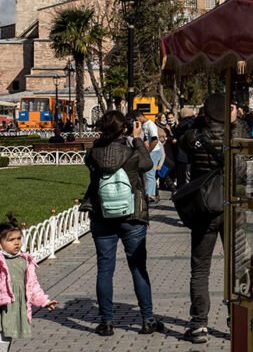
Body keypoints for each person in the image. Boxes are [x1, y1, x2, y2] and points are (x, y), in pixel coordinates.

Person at [82, 110, 162, 336]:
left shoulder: (94, 153)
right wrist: (136, 138)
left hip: (102, 215)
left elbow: (93, 164)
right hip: (132, 216)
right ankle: (148, 319)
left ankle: (106, 322)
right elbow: (147, 164)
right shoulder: (132, 153)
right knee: (137, 266)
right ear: (124, 129)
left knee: (105, 269)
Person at [177, 94, 237, 343]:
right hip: (232, 206)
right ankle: (236, 319)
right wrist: (233, 123)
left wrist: (200, 121)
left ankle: (199, 323)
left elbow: (181, 141)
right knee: (236, 267)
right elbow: (243, 167)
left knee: (200, 268)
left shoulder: (194, 136)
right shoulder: (235, 136)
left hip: (204, 206)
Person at [0, 214, 58, 351]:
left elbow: (33, 285)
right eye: (11, 240)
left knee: (8, 334)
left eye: (18, 239)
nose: (16, 243)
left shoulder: (25, 260)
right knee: (4, 334)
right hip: (0, 303)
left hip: (15, 303)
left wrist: (44, 301)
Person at [136, 112, 162, 203]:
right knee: (148, 174)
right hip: (150, 151)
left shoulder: (151, 125)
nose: (137, 121)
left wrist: (148, 151)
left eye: (137, 119)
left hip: (154, 151)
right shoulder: (144, 125)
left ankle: (150, 195)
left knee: (150, 174)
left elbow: (155, 139)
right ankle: (151, 194)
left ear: (141, 116)